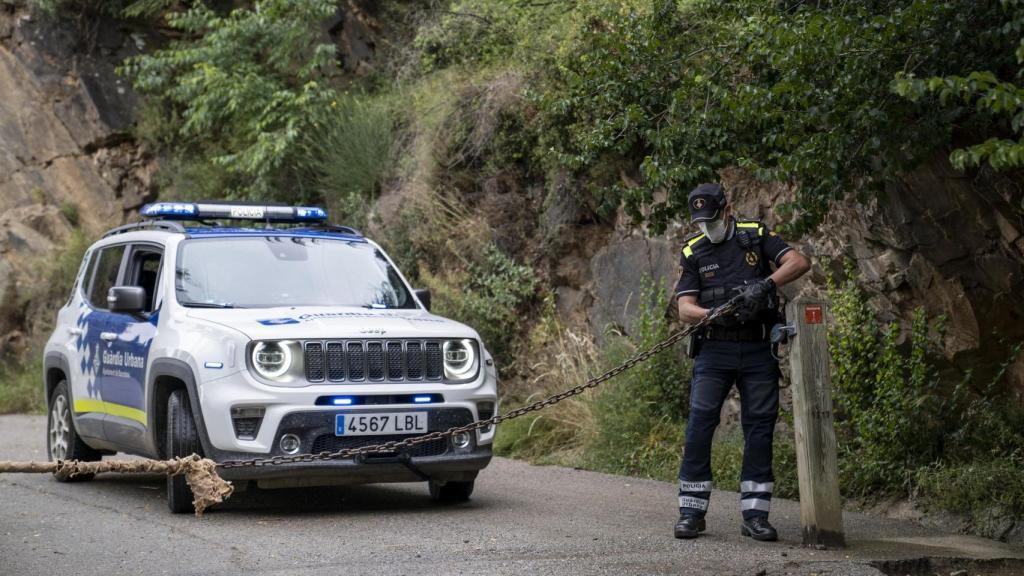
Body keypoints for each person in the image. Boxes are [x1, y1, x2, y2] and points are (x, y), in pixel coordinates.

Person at [672, 182, 811, 541]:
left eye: (712, 217)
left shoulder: (754, 236)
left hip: (756, 348)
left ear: (726, 209)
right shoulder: (693, 251)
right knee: (700, 423)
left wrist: (765, 285)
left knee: (760, 426)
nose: (707, 225)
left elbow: (798, 261)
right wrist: (709, 314)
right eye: (700, 220)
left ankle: (755, 515)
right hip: (713, 350)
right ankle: (691, 511)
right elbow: (684, 307)